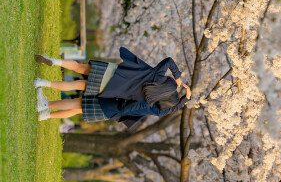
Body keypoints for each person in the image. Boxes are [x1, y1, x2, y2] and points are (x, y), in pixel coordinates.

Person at [34, 47, 191, 125]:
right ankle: (43, 87)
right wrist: (184, 101)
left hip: (115, 74)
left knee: (79, 67)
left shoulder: (156, 77)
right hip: (110, 93)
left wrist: (178, 79)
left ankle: (54, 62)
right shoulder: (148, 103)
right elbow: (167, 110)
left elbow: (169, 60)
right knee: (77, 89)